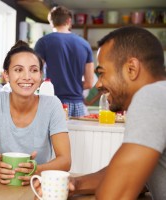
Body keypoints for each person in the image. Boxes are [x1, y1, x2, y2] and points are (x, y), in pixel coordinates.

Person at [33, 26, 166, 199]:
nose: (98, 84)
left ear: (131, 69)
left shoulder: (151, 96)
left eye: (102, 73)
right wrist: (73, 184)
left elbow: (114, 194)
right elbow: (128, 176)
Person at [0, 41, 71, 185]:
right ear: (6, 75)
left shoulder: (52, 105)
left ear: (41, 76)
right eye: (18, 70)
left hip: (37, 185)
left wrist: (36, 171)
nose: (27, 77)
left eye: (34, 70)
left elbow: (65, 160)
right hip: (0, 184)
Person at [34, 6, 94, 117]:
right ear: (69, 21)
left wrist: (47, 85)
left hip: (51, 103)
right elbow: (89, 83)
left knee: (50, 135)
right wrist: (72, 85)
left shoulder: (43, 42)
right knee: (76, 135)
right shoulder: (85, 44)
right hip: (77, 105)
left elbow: (34, 74)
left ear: (51, 23)